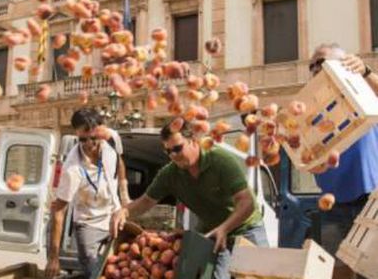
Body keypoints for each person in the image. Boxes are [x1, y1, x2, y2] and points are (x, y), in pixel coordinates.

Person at [110, 119, 268, 279]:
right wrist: (124, 211)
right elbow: (146, 201)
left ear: (194, 141)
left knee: (263, 275)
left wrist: (225, 228)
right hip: (212, 233)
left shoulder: (220, 160)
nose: (173, 155)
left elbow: (247, 202)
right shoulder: (169, 174)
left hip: (246, 228)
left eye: (177, 148)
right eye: (168, 151)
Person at [309, 43, 378, 279]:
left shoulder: (362, 94)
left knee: (370, 271)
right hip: (333, 205)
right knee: (336, 271)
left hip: (370, 202)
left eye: (322, 62)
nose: (316, 68)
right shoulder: (311, 110)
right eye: (312, 65)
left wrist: (366, 73)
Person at [45, 108, 129, 278]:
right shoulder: (72, 167)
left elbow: (120, 162)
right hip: (88, 224)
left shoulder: (112, 138)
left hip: (114, 216)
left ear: (101, 130)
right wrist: (53, 257)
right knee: (95, 274)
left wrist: (124, 194)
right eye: (83, 139)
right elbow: (59, 211)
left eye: (94, 137)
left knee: (121, 268)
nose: (89, 144)